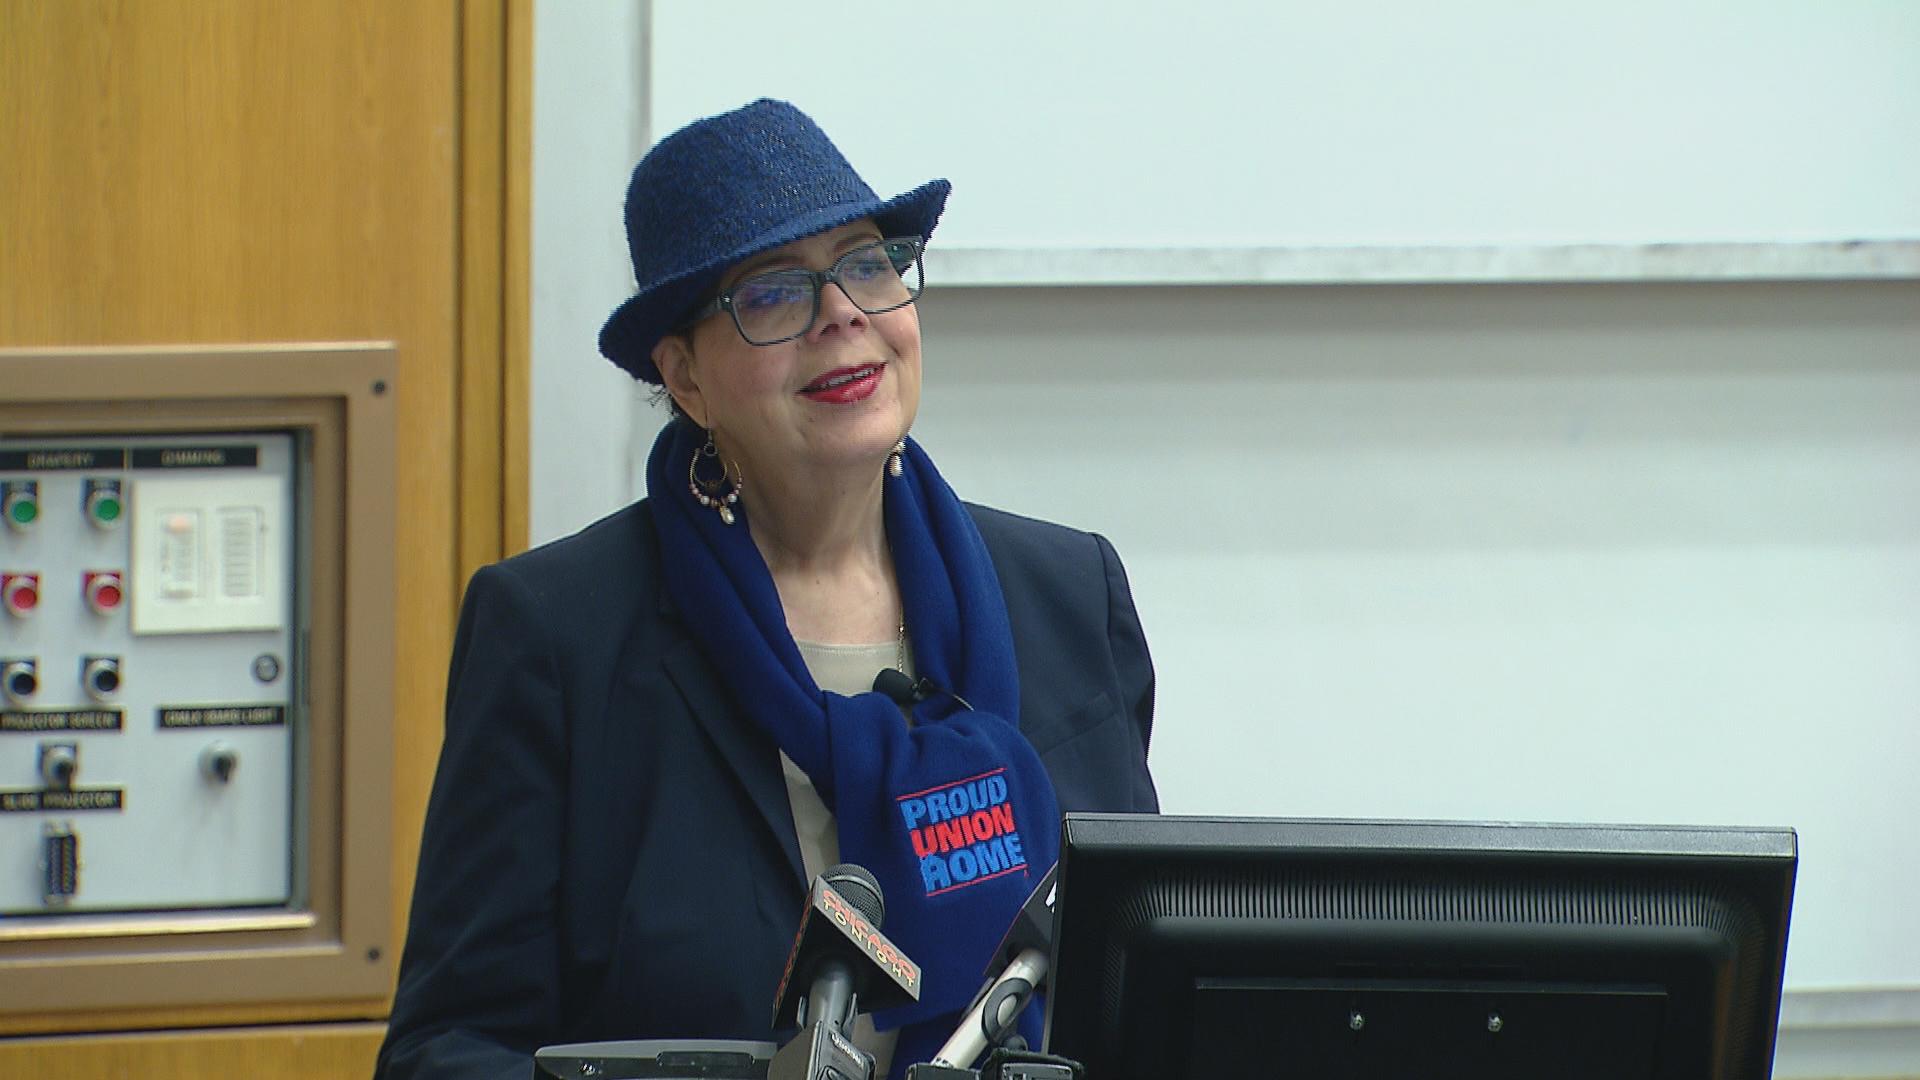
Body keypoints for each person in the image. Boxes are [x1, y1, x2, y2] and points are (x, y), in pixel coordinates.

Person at [375, 99, 1158, 1080]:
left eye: (870, 264)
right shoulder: (558, 637)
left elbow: (1140, 986)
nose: (843, 314)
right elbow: (446, 1051)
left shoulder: (1068, 595)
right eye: (773, 293)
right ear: (686, 378)